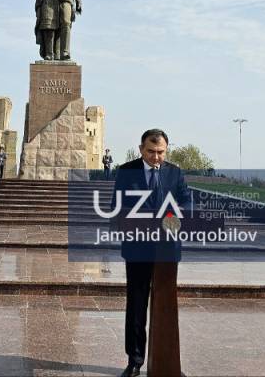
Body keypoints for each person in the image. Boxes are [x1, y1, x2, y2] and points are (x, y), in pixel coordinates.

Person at [114, 129, 191, 377]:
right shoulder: (126, 172)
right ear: (141, 149)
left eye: (160, 152)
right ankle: (135, 361)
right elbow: (117, 206)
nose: (156, 157)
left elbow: (186, 203)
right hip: (137, 247)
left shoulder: (175, 173)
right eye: (150, 152)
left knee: (165, 304)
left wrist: (173, 217)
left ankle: (167, 362)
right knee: (137, 305)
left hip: (167, 249)